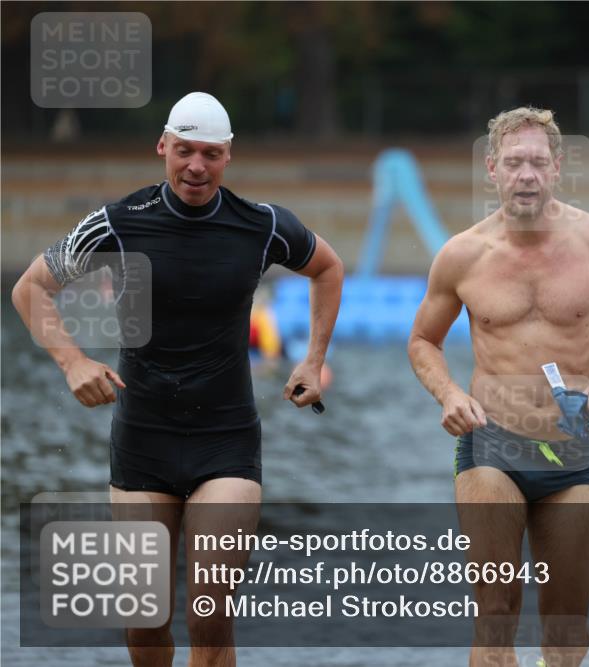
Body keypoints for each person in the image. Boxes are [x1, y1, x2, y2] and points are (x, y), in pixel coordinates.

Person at [11, 92, 344, 667]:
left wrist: (313, 360)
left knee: (211, 616)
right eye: (184, 150)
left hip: (226, 439)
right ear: (162, 146)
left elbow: (327, 268)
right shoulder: (118, 222)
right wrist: (73, 361)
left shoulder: (261, 226)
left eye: (210, 153)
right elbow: (30, 288)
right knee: (144, 622)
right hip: (143, 439)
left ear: (228, 156)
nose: (196, 165)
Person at [408, 107, 589, 667]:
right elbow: (422, 341)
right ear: (493, 169)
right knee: (496, 617)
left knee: (567, 631)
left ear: (557, 168)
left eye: (538, 163)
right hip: (491, 445)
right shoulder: (462, 255)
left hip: (573, 452)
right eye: (515, 163)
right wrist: (449, 393)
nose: (527, 175)